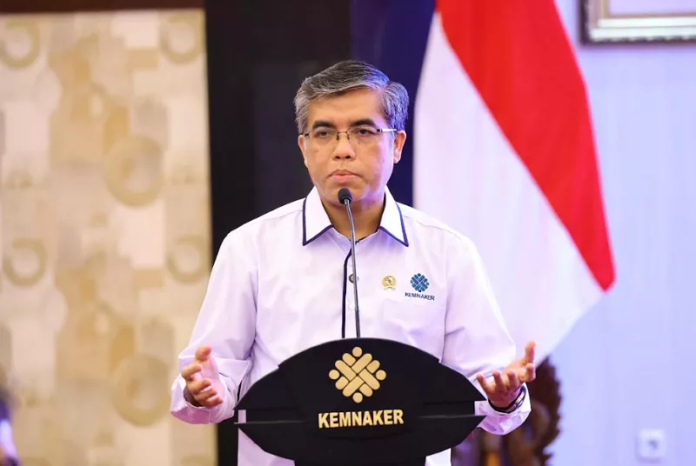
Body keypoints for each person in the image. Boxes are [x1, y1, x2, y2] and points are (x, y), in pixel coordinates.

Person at [170, 60, 536, 465]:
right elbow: (208, 387)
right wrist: (202, 392)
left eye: (363, 131)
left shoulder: (447, 253)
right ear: (304, 148)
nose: (342, 149)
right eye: (324, 133)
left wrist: (504, 397)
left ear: (396, 144)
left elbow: (493, 399)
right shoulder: (250, 249)